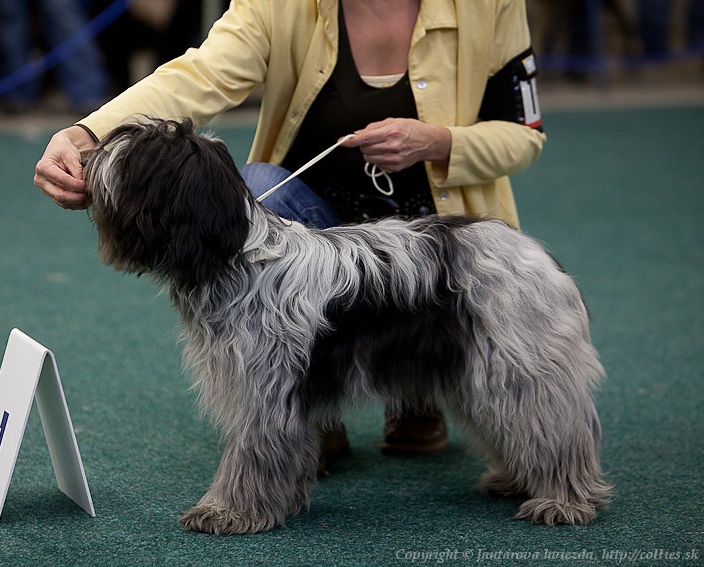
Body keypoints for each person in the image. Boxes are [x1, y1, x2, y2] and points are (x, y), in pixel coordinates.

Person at [34, 0, 547, 471]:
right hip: (308, 223)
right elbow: (199, 75)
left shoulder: (491, 4)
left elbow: (523, 136)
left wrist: (440, 142)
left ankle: (415, 393)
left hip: (437, 227)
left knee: (441, 303)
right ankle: (300, 399)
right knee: (257, 187)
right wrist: (88, 135)